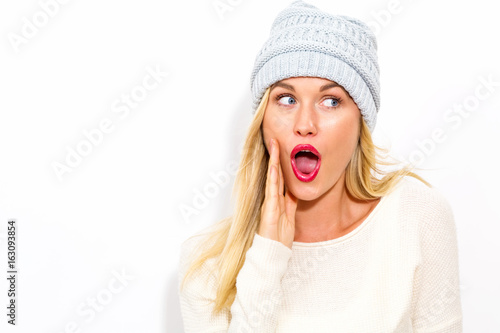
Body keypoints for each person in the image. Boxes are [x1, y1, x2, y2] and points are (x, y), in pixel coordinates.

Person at [178, 1, 463, 332]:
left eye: (331, 101)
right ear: (263, 120)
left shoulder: (416, 216)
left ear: (361, 124)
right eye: (287, 99)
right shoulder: (207, 265)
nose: (305, 124)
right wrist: (268, 254)